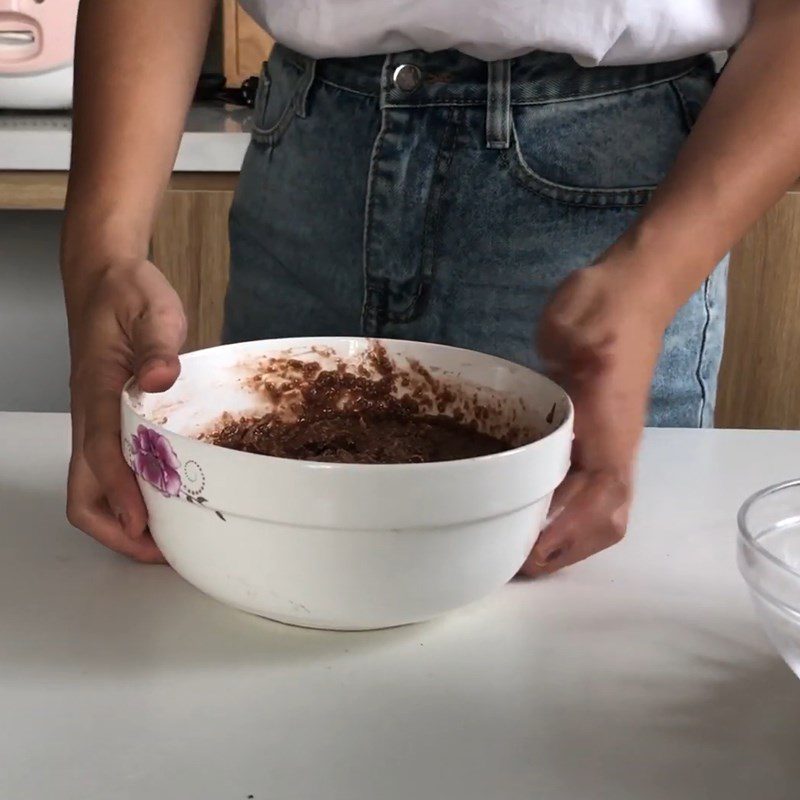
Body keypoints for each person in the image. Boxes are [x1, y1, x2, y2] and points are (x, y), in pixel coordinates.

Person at [61, 0, 799, 574]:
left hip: (613, 192)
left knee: (577, 656)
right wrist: (102, 258)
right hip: (312, 152)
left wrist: (653, 278)